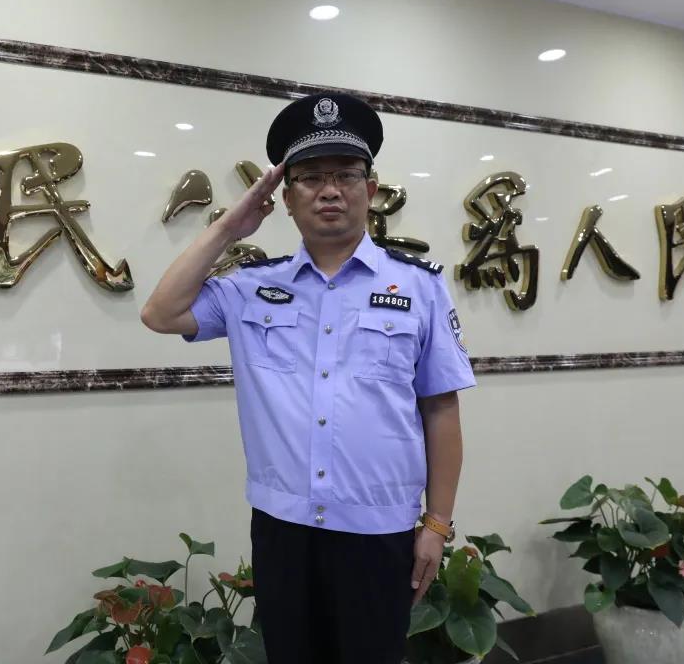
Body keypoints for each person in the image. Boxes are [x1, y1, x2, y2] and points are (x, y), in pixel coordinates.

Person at [141, 93, 475, 664]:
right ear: (286, 197)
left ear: (371, 189)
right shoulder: (251, 288)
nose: (330, 190)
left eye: (346, 175)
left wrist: (437, 525)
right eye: (311, 177)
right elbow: (160, 312)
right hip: (284, 529)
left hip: (379, 530)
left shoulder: (419, 287)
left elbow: (440, 410)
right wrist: (229, 226)